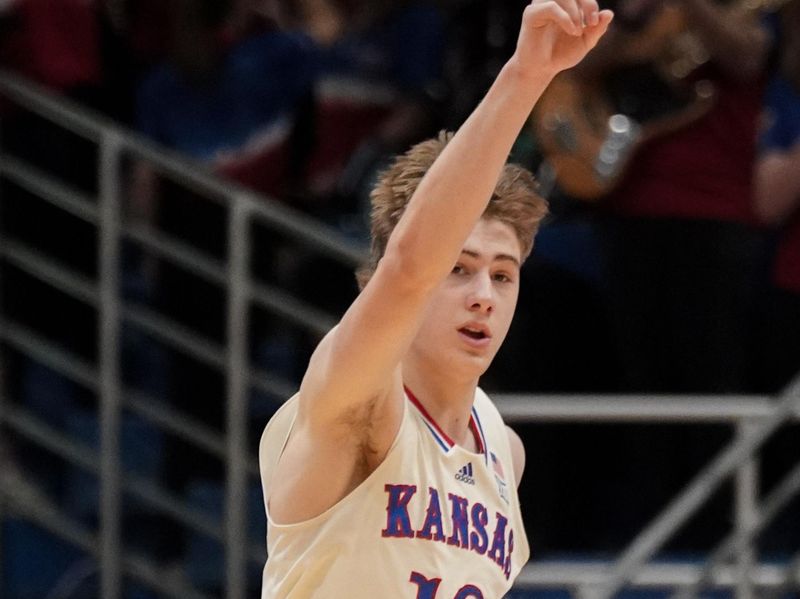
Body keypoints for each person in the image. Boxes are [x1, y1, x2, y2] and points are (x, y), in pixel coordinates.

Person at [257, 2, 613, 596]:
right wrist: (525, 77)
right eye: (459, 269)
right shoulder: (357, 401)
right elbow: (408, 268)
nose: (483, 296)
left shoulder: (505, 451)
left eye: (503, 275)